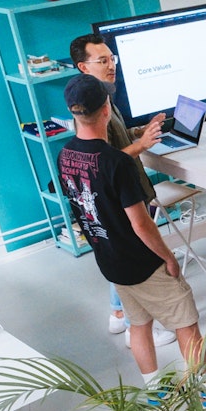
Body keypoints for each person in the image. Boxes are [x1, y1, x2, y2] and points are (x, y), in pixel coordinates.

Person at [55, 75, 203, 381]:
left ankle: (155, 391)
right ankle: (205, 390)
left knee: (139, 324)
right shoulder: (116, 163)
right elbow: (141, 224)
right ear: (107, 109)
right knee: (186, 323)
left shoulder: (65, 156)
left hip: (110, 261)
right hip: (142, 263)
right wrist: (169, 258)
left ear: (73, 112)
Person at [67, 33, 175, 346]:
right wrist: (140, 146)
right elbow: (104, 161)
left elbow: (113, 138)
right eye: (102, 61)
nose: (111, 65)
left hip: (125, 192)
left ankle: (117, 312)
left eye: (111, 59)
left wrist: (140, 132)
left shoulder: (104, 97)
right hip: (122, 197)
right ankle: (135, 325)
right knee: (132, 257)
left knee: (119, 253)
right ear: (83, 66)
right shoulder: (88, 108)